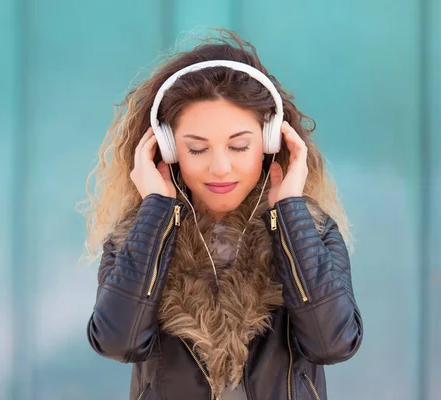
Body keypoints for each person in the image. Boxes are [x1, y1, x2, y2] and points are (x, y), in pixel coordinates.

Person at [80, 29, 363, 400]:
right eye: (197, 149)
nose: (220, 168)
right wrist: (155, 215)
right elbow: (118, 342)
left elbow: (333, 343)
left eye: (239, 146)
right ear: (166, 148)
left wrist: (289, 214)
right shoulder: (137, 236)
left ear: (270, 141)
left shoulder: (311, 230)